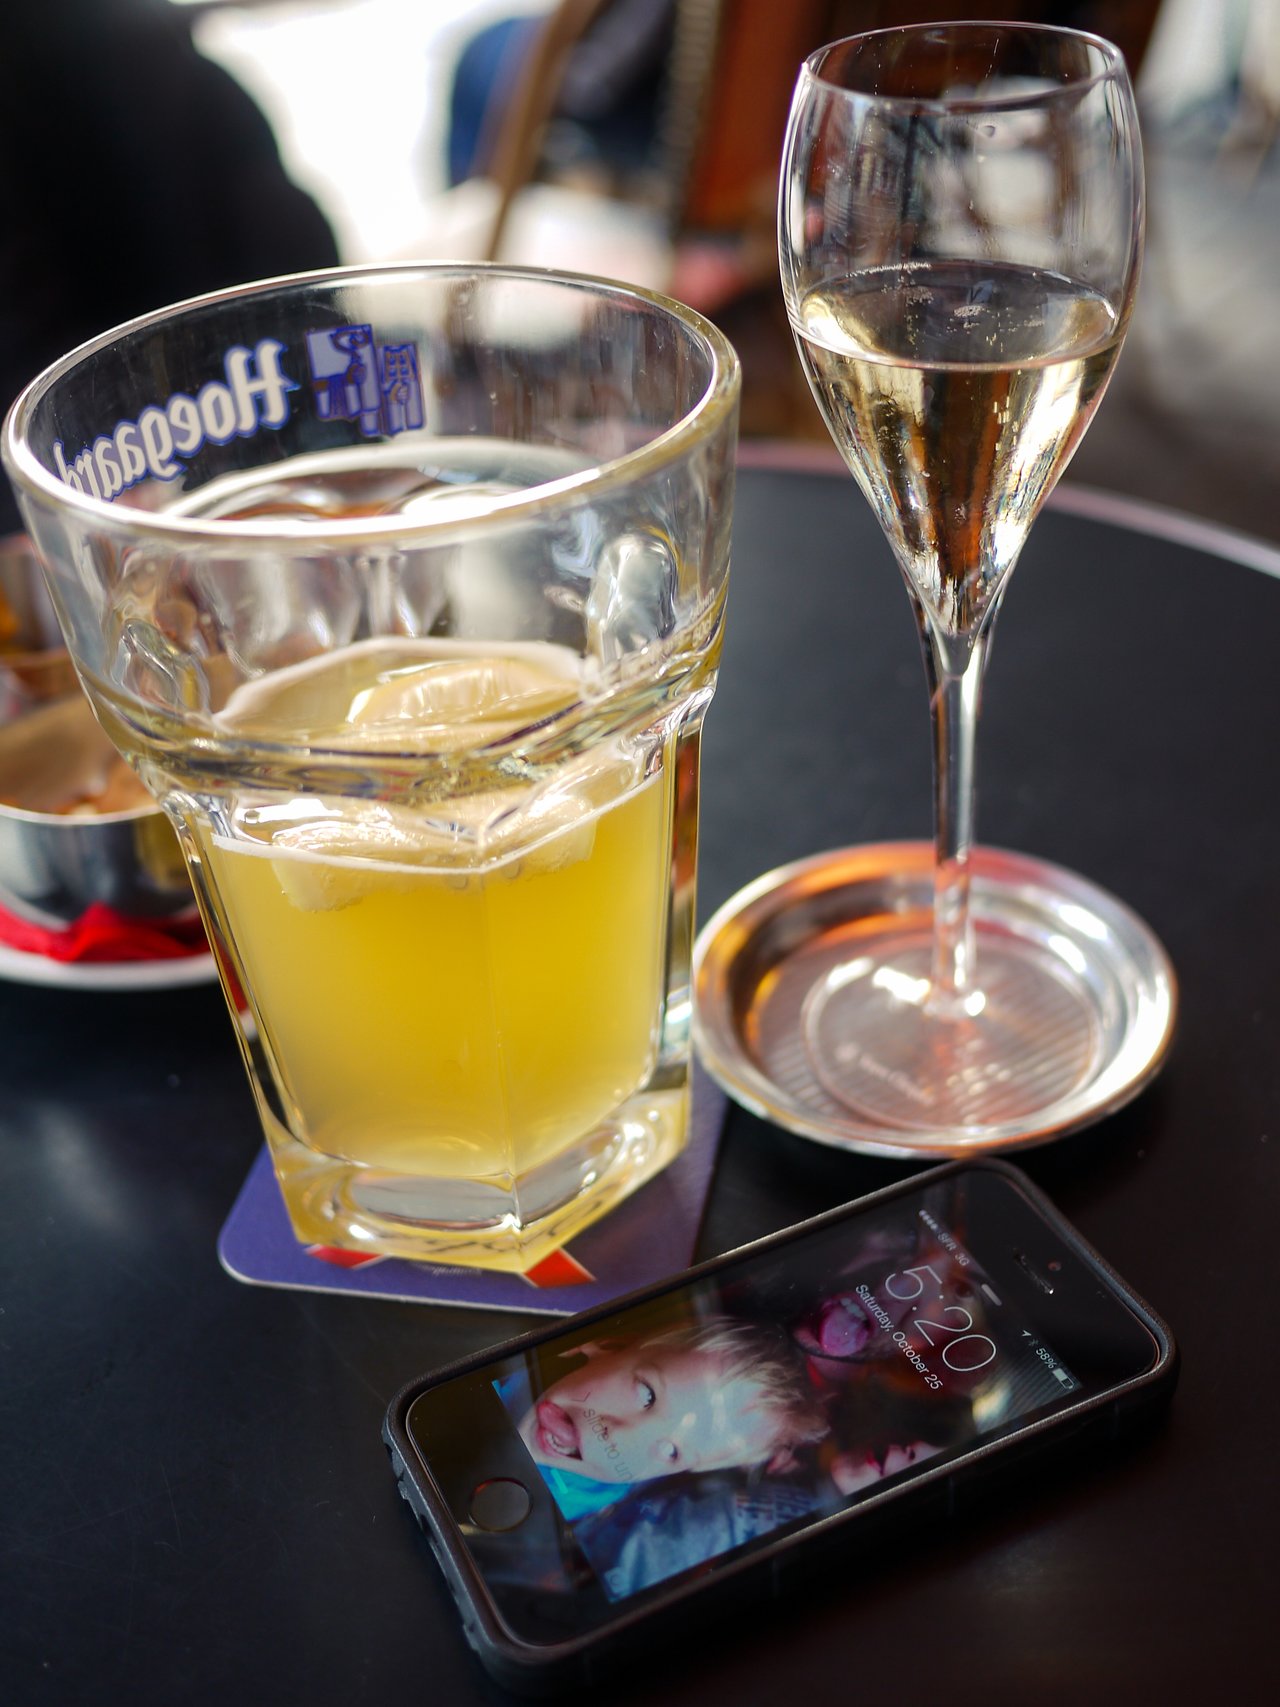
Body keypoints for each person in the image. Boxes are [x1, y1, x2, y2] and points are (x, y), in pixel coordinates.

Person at [501, 1315, 830, 1520]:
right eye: (647, 1394)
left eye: (672, 1451)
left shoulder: (593, 1502)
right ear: (607, 1345)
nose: (619, 1437)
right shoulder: (508, 1357)